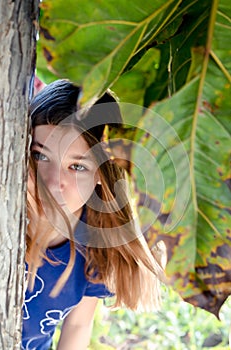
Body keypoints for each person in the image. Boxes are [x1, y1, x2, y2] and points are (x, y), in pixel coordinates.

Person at [22, 79, 164, 350]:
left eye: (76, 167)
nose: (53, 183)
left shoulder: (97, 246)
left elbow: (77, 325)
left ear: (101, 174)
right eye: (40, 156)